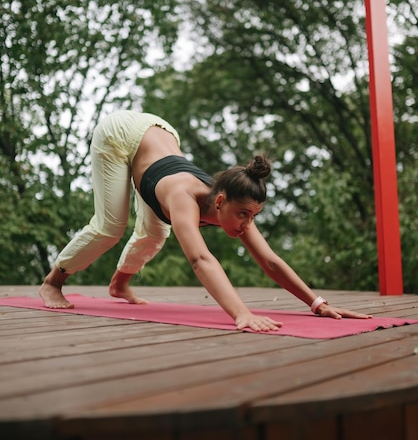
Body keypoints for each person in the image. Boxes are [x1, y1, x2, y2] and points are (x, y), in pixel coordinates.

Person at [39, 110, 371, 331]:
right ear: (221, 201)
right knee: (111, 226)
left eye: (252, 217)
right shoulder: (184, 199)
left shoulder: (236, 206)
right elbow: (199, 259)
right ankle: (53, 282)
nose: (245, 225)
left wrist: (318, 304)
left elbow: (270, 260)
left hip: (160, 135)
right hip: (120, 134)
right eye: (243, 215)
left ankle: (119, 284)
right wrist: (242, 313)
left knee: (155, 234)